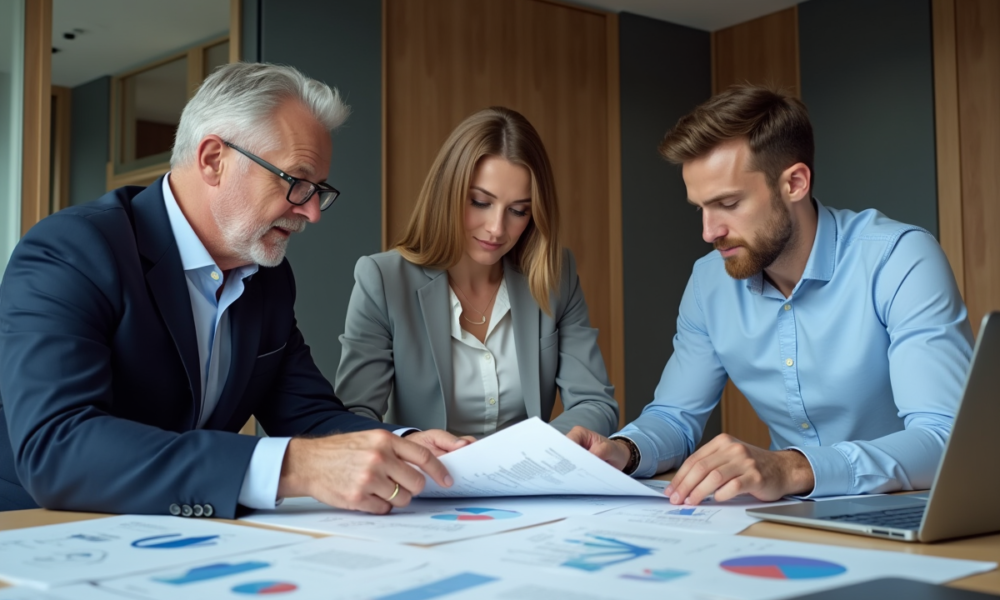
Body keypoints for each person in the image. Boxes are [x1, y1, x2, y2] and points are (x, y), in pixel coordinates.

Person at [0, 62, 468, 518]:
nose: (312, 213)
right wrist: (289, 466)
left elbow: (309, 417)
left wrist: (401, 446)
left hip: (180, 536)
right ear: (213, 159)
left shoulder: (268, 278)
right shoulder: (73, 250)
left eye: (317, 189)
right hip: (39, 529)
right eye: (296, 182)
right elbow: (56, 448)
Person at [568, 85, 973, 505]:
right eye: (700, 208)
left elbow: (944, 438)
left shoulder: (899, 259)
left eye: (728, 203)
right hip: (792, 518)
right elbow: (675, 416)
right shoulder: (709, 282)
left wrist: (791, 467)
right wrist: (624, 451)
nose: (709, 232)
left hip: (911, 511)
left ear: (794, 183)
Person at [335, 107, 618, 438]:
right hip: (427, 479)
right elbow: (353, 414)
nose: (497, 229)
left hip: (526, 481)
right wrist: (411, 443)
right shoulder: (382, 280)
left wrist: (542, 447)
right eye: (480, 202)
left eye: (518, 210)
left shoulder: (556, 274)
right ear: (448, 193)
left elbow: (595, 403)